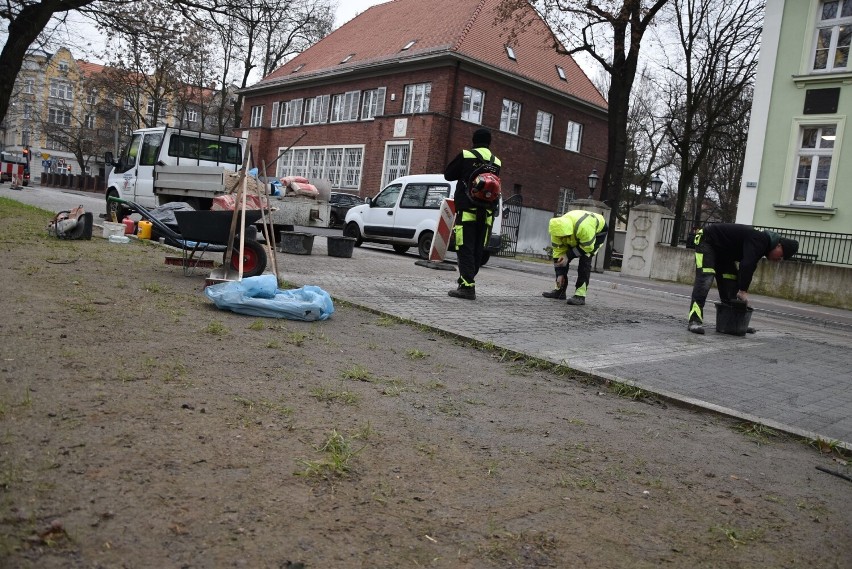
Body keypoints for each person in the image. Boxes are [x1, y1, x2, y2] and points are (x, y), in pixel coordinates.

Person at [687, 223, 799, 334]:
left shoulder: (761, 245)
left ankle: (733, 323)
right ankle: (694, 321)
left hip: (724, 252)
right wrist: (743, 291)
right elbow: (746, 265)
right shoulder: (760, 240)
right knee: (706, 277)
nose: (780, 259)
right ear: (778, 245)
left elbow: (748, 267)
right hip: (707, 240)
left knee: (730, 280)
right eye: (782, 255)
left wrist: (741, 289)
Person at [444, 128, 502, 300]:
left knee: (464, 248)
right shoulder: (497, 162)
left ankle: (467, 287)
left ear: (474, 140)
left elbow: (448, 175)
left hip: (468, 211)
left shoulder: (466, 155)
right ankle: (467, 281)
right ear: (489, 142)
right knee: (478, 249)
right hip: (487, 215)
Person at [542, 209, 608, 305]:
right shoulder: (556, 231)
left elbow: (587, 247)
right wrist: (560, 274)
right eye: (560, 237)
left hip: (596, 233)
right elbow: (557, 253)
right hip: (577, 233)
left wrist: (568, 255)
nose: (562, 239)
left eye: (564, 236)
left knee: (585, 261)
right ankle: (560, 291)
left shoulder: (584, 229)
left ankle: (580, 295)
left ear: (569, 231)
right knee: (561, 260)